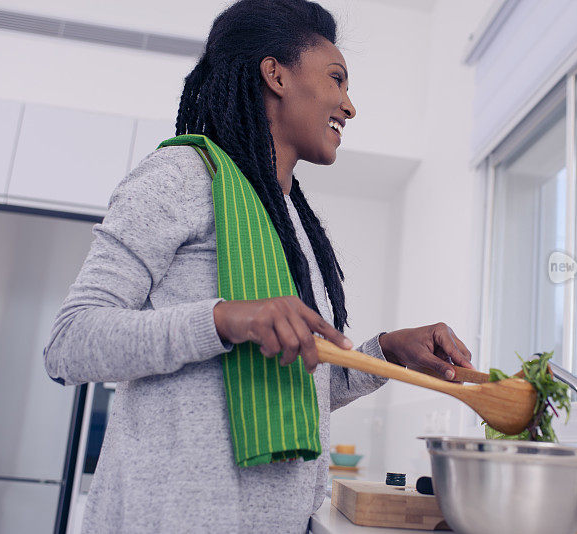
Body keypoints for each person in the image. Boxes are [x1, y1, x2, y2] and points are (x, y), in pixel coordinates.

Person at [44, 0, 473, 532]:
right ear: (276, 75)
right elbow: (68, 344)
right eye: (337, 79)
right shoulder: (182, 175)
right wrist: (224, 319)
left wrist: (385, 351)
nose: (349, 105)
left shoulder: (290, 219)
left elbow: (297, 386)